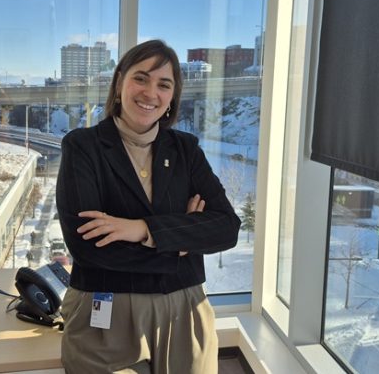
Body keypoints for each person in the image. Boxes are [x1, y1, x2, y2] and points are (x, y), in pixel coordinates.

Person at [56, 39, 241, 373]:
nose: (150, 92)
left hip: (186, 309)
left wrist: (141, 229)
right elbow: (88, 248)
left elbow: (227, 228)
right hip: (106, 311)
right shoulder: (83, 147)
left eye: (163, 84)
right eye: (140, 78)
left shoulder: (186, 149)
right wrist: (182, 240)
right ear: (119, 84)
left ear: (172, 97)